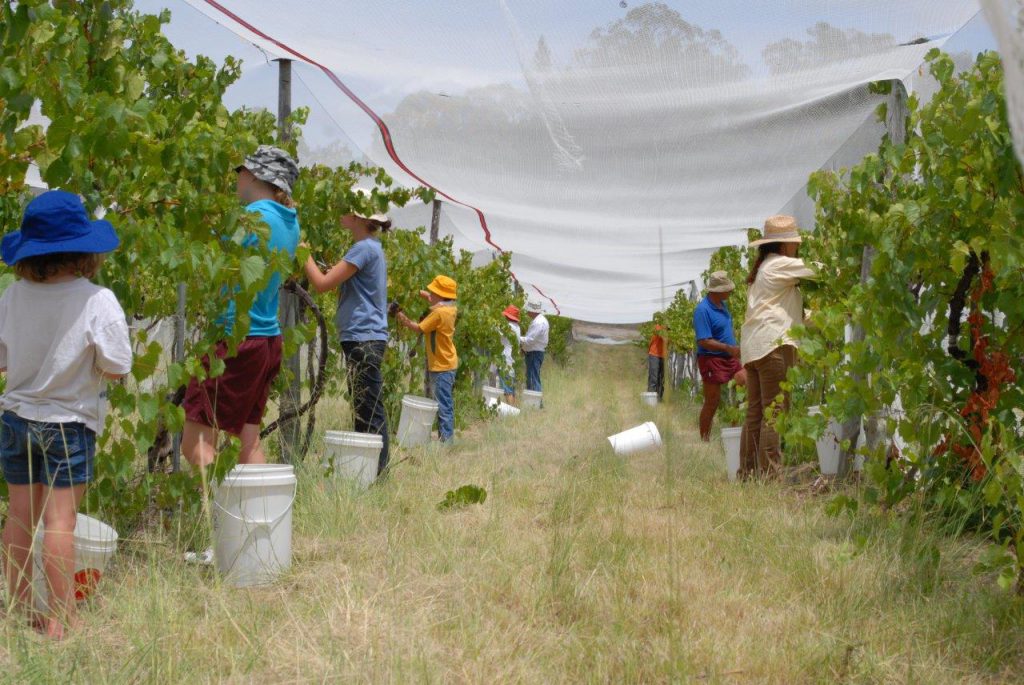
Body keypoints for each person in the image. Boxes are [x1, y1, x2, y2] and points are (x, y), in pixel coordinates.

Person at [0, 190, 132, 639]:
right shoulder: (97, 300)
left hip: (16, 419)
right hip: (68, 425)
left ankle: (17, 611)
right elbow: (118, 366)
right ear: (84, 251)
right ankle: (61, 617)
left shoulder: (12, 297)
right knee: (61, 522)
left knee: (19, 517)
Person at [182, 145, 300, 471]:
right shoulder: (290, 223)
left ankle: (223, 516)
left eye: (241, 172)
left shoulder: (253, 218)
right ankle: (259, 518)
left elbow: (215, 265)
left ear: (256, 175)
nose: (237, 178)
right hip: (267, 342)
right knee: (249, 443)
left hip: (235, 340)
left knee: (195, 444)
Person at [304, 190, 392, 476]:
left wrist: (300, 250)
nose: (339, 212)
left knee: (368, 408)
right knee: (366, 406)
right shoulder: (371, 248)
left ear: (356, 217)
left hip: (363, 337)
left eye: (345, 208)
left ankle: (376, 474)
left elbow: (321, 284)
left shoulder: (363, 248)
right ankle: (369, 471)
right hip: (365, 336)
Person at [739, 215, 817, 478]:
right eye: (794, 243)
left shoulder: (764, 270)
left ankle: (748, 473)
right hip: (773, 345)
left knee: (756, 412)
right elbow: (820, 269)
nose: (797, 247)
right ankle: (771, 475)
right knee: (774, 411)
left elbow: (786, 311)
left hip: (754, 347)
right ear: (784, 245)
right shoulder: (781, 265)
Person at [394, 276, 458, 442]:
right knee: (445, 403)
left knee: (443, 405)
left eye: (433, 291)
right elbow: (432, 298)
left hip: (441, 366)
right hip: (447, 363)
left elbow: (418, 328)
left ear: (440, 295)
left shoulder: (438, 314)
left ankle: (447, 442)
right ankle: (446, 438)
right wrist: (415, 292)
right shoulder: (450, 309)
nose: (430, 294)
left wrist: (399, 315)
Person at [694, 271, 747, 441]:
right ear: (716, 291)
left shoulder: (722, 306)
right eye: (727, 289)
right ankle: (704, 440)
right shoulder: (702, 310)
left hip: (730, 357)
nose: (730, 292)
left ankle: (735, 434)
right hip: (711, 359)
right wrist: (727, 348)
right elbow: (703, 340)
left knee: (743, 387)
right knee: (712, 401)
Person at [520, 300, 549, 392]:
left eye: (528, 310)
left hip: (534, 353)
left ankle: (534, 403)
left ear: (533, 310)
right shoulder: (540, 320)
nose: (527, 312)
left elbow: (530, 340)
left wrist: (516, 337)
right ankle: (535, 402)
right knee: (533, 377)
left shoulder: (538, 322)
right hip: (535, 353)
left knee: (532, 379)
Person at [498, 305, 520, 405]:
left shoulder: (508, 326)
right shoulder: (517, 327)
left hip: (505, 358)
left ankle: (511, 412)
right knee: (511, 387)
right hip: (511, 358)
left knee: (507, 388)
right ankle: (514, 410)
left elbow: (494, 330)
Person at [647, 316, 667, 402]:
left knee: (661, 378)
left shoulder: (670, 329)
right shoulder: (658, 326)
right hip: (654, 354)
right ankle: (651, 400)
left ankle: (659, 399)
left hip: (663, 355)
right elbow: (662, 335)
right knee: (654, 377)